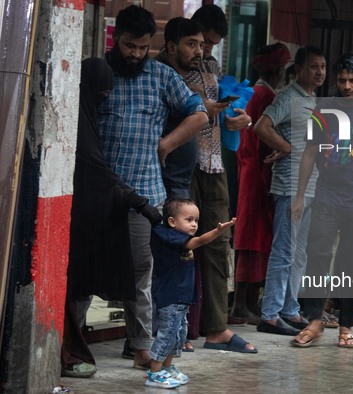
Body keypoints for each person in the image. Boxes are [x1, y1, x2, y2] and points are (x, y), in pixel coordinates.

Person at [98, 5, 208, 368]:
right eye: (130, 46)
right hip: (98, 192)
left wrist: (168, 144)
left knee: (141, 273)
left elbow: (199, 114)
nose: (136, 54)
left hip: (144, 195)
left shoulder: (161, 76)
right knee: (85, 268)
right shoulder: (98, 72)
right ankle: (70, 342)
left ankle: (141, 346)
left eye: (143, 47)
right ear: (116, 39)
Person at [61, 58, 162, 378]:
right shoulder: (75, 116)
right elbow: (92, 168)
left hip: (93, 212)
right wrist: (133, 198)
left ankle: (133, 345)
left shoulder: (86, 111)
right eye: (101, 93)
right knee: (78, 281)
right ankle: (64, 346)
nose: (104, 98)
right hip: (82, 213)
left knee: (95, 277)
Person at [290, 53, 353, 348]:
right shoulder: (324, 108)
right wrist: (300, 196)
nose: (346, 86)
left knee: (352, 263)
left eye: (352, 80)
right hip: (326, 196)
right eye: (342, 80)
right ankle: (313, 321)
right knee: (317, 254)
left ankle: (346, 325)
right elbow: (310, 151)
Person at [187, 4, 256, 353]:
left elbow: (226, 117)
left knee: (217, 243)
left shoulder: (213, 68)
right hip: (183, 166)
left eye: (211, 44)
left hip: (214, 164)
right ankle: (174, 328)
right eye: (201, 43)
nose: (205, 50)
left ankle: (216, 328)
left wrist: (238, 119)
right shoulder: (168, 68)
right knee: (176, 246)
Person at [253, 46, 326, 336]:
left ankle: (290, 310)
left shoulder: (313, 99)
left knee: (299, 254)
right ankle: (269, 314)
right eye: (313, 67)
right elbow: (262, 126)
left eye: (322, 67)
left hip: (309, 187)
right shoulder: (287, 97)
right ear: (298, 69)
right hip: (289, 187)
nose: (319, 72)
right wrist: (285, 148)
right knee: (284, 251)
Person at [155, 16, 207, 352]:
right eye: (192, 44)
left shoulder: (184, 75)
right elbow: (196, 116)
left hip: (180, 181)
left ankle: (176, 331)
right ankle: (161, 334)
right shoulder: (163, 73)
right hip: (167, 183)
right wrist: (167, 146)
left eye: (202, 45)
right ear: (172, 46)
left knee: (182, 261)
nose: (200, 51)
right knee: (169, 263)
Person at [229, 43, 292, 324]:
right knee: (255, 238)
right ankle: (243, 304)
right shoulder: (265, 96)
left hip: (250, 170)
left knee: (252, 237)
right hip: (259, 172)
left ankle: (246, 303)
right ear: (277, 70)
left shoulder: (255, 93)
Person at [146, 198, 235, 388]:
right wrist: (218, 230)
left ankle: (167, 368)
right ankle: (154, 372)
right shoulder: (166, 234)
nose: (194, 224)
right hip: (170, 296)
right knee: (167, 334)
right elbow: (200, 241)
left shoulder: (177, 235)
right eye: (189, 220)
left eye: (196, 220)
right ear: (172, 221)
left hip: (182, 297)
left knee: (178, 335)